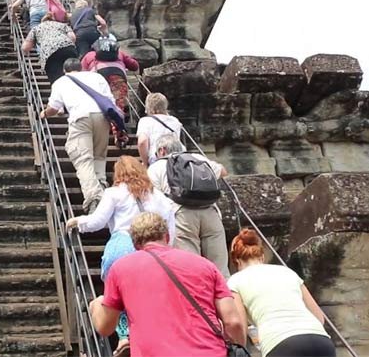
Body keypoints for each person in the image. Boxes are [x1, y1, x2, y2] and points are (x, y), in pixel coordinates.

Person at [89, 212, 245, 357]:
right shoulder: (205, 265)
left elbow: (105, 327)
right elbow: (233, 322)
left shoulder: (120, 269)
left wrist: (96, 305)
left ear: (135, 243)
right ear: (167, 236)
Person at [66, 156, 176, 352]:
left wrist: (79, 222)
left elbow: (98, 221)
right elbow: (170, 229)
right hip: (153, 251)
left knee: (119, 295)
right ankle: (150, 335)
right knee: (150, 295)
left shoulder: (114, 193)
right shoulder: (159, 197)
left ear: (118, 174)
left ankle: (124, 336)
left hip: (122, 246)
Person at [228, 228, 335, 357]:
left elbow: (240, 326)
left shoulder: (235, 281)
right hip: (320, 340)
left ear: (237, 261)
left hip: (281, 344)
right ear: (262, 256)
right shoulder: (287, 272)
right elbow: (319, 317)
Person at [148, 134, 231, 276]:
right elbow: (223, 171)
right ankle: (225, 295)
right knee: (220, 270)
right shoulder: (197, 158)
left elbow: (153, 199)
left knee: (191, 269)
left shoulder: (156, 167)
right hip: (210, 212)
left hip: (181, 215)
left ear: (162, 151)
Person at [40, 58, 113, 212]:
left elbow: (53, 108)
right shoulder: (97, 77)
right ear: (81, 67)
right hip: (102, 117)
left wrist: (44, 113)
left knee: (83, 159)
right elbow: (110, 100)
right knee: (99, 156)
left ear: (65, 70)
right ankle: (102, 190)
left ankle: (94, 198)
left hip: (80, 118)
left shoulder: (61, 82)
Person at [82, 34, 139, 146]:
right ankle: (120, 135)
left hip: (97, 77)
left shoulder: (89, 55)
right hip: (117, 76)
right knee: (118, 106)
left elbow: (82, 72)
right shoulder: (119, 53)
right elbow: (134, 65)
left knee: (98, 105)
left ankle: (98, 132)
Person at [21, 12, 77, 84]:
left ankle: (60, 92)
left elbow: (25, 47)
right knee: (73, 73)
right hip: (69, 48)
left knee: (56, 79)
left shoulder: (37, 28)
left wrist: (26, 52)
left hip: (50, 53)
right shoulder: (62, 25)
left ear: (42, 21)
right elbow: (73, 37)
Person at [136, 92, 184, 166]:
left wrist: (145, 163)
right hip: (176, 159)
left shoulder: (145, 121)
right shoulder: (175, 121)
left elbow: (142, 142)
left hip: (157, 158)